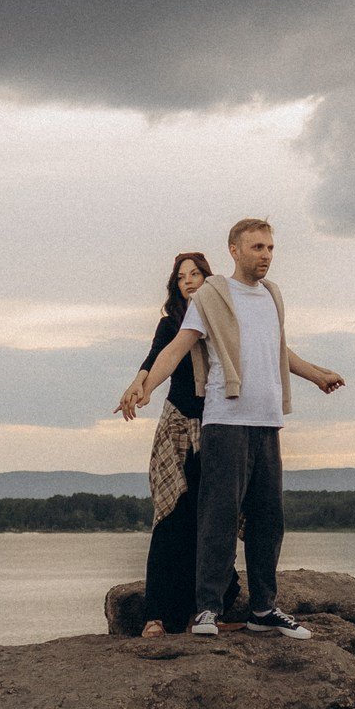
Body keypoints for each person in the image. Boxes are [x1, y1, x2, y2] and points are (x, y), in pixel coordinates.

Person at [130, 218, 345, 639]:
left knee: (268, 520)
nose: (265, 255)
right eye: (257, 247)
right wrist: (147, 386)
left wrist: (316, 375)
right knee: (218, 517)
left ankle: (263, 609)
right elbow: (177, 346)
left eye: (269, 248)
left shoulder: (271, 296)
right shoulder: (212, 294)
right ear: (234, 250)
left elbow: (277, 349)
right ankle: (207, 609)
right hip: (225, 420)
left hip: (267, 421)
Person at [115, 252, 213, 636]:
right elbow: (157, 357)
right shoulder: (171, 322)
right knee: (170, 516)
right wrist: (138, 385)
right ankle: (155, 615)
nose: (188, 280)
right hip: (177, 424)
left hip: (216, 426)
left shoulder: (222, 319)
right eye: (182, 276)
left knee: (206, 522)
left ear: (209, 278)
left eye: (196, 274)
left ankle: (197, 613)